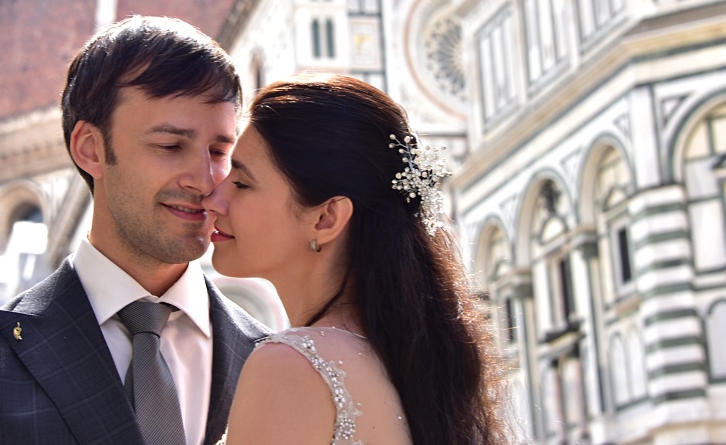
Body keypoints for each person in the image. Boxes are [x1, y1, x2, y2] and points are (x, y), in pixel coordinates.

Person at [0, 15, 269, 445]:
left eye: (220, 151)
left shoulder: (275, 360)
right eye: (170, 146)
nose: (205, 180)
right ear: (91, 149)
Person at [202, 74, 506, 445]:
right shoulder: (417, 365)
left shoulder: (290, 365)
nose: (212, 199)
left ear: (326, 218)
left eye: (242, 183)